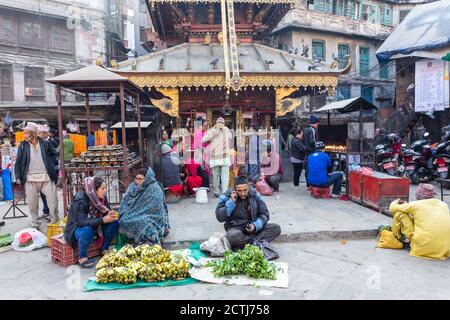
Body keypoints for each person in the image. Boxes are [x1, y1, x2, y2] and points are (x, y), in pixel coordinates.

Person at [64, 177, 119, 268]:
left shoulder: (101, 197)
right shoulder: (80, 199)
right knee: (87, 230)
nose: (105, 191)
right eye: (102, 188)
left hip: (95, 224)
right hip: (76, 228)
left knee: (114, 222)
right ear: (94, 189)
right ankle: (83, 257)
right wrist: (102, 220)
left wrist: (109, 213)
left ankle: (104, 249)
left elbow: (106, 210)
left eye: (105, 188)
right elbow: (81, 222)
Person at [215, 175, 281, 249]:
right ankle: (256, 242)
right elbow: (220, 218)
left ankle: (248, 243)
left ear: (248, 188)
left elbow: (264, 214)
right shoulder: (227, 197)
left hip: (253, 227)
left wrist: (255, 225)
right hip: (237, 229)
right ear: (235, 189)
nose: (243, 193)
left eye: (245, 190)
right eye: (239, 191)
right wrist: (231, 202)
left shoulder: (255, 195)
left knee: (276, 228)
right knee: (232, 236)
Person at [15, 122, 59, 229]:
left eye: (27, 133)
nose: (24, 136)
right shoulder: (22, 146)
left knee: (52, 201)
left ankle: (55, 222)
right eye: (24, 133)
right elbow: (18, 162)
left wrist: (51, 165)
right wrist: (18, 177)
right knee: (32, 204)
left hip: (46, 177)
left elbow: (55, 153)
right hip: (30, 179)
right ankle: (35, 224)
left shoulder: (45, 143)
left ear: (34, 134)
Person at [389, 184, 450, 260]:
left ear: (419, 196)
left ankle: (397, 237)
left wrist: (397, 200)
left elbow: (392, 208)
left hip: (422, 248)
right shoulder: (444, 204)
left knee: (399, 214)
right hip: (444, 250)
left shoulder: (415, 204)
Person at [119, 167, 170, 245]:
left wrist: (138, 213)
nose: (137, 181)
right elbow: (125, 202)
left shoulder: (154, 188)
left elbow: (156, 208)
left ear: (147, 179)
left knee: (145, 223)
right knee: (124, 219)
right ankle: (134, 238)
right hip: (135, 213)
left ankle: (150, 240)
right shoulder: (133, 186)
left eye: (140, 179)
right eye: (136, 178)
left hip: (153, 216)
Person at [202, 117, 233, 197]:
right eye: (219, 123)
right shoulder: (213, 131)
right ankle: (218, 192)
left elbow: (230, 138)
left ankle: (222, 192)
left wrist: (217, 130)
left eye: (222, 124)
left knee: (221, 176)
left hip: (223, 157)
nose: (220, 125)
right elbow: (203, 140)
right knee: (218, 176)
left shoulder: (225, 130)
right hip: (217, 157)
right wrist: (215, 131)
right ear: (216, 124)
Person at [303, 115, 320, 186]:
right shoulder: (312, 129)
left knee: (308, 167)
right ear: (314, 123)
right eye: (317, 123)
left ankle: (308, 183)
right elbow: (312, 142)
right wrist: (317, 145)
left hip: (306, 151)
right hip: (312, 151)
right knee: (312, 166)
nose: (317, 125)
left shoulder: (305, 129)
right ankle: (311, 183)